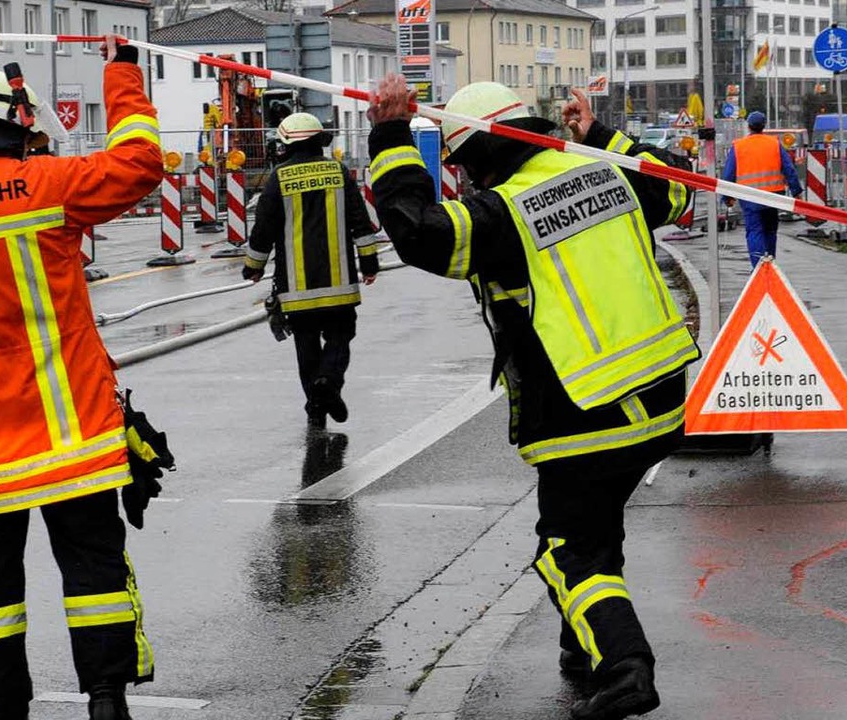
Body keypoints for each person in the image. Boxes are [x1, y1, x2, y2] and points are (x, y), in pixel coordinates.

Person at [366, 75, 700, 720]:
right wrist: (601, 133)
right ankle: (583, 648)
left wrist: (389, 134)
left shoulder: (504, 211)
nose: (462, 179)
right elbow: (680, 185)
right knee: (598, 528)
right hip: (659, 398)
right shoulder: (608, 172)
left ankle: (626, 666)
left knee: (566, 549)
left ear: (483, 153)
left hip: (583, 406)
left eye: (462, 164)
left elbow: (418, 232)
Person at [0, 36, 163, 720]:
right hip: (72, 438)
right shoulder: (45, 187)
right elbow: (140, 162)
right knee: (93, 574)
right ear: (9, 128)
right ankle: (107, 695)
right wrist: (120, 73)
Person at [243, 112, 379, 427]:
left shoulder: (279, 178)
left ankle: (315, 408)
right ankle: (329, 383)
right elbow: (361, 221)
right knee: (341, 336)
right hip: (339, 283)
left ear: (287, 144)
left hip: (296, 287)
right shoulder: (339, 172)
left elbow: (264, 228)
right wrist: (370, 263)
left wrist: (253, 267)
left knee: (305, 346)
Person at [722, 111, 803, 267]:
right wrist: (796, 191)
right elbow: (789, 168)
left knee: (754, 231)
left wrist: (727, 198)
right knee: (770, 230)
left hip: (749, 196)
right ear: (764, 126)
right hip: (773, 195)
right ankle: (770, 262)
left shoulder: (738, 146)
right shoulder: (774, 143)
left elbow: (729, 173)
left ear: (749, 127)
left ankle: (758, 266)